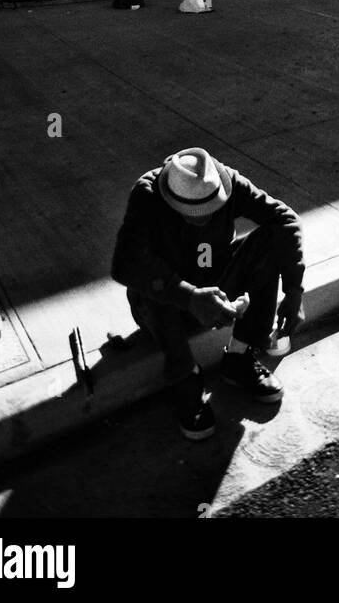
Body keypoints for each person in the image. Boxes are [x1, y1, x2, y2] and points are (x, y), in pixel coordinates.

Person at [111, 147, 305, 440]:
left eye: (210, 210)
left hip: (214, 281)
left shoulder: (226, 180)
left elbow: (285, 219)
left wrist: (294, 291)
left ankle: (239, 358)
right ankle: (186, 380)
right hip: (164, 303)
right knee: (150, 276)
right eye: (191, 214)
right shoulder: (148, 195)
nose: (202, 219)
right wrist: (189, 296)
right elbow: (124, 264)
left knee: (270, 242)